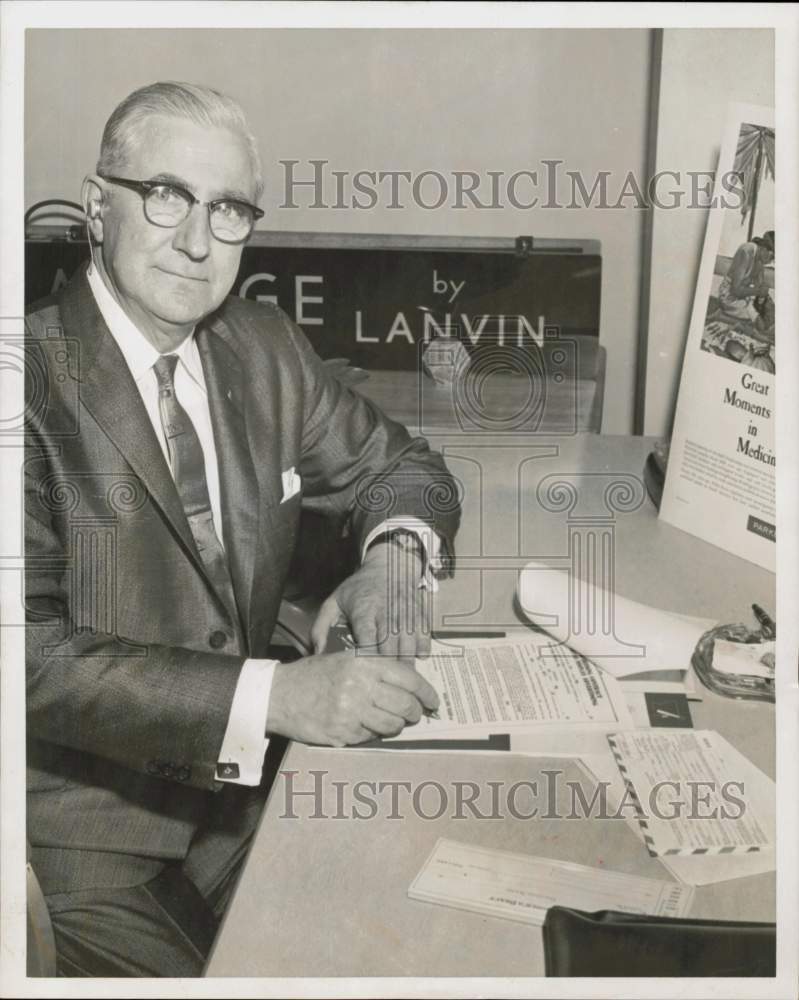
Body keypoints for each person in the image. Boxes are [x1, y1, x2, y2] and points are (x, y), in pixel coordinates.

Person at [24, 81, 460, 977]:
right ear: (97, 205)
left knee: (419, 945)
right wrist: (278, 697)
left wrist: (393, 556)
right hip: (77, 841)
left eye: (225, 209)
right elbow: (28, 658)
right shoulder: (22, 376)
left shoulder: (259, 347)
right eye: (165, 195)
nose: (195, 240)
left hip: (245, 802)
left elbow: (401, 466)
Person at [715, 230, 775, 338]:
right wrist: (758, 292)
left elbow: (758, 287)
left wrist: (762, 298)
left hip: (746, 296)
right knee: (761, 325)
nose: (771, 262)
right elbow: (735, 290)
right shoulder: (746, 251)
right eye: (772, 257)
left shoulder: (761, 260)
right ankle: (722, 316)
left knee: (771, 314)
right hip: (729, 296)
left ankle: (737, 319)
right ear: (765, 248)